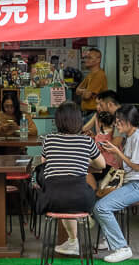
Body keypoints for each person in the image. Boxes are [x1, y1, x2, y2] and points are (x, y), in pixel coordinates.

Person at [35, 101, 105, 256]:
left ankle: (73, 242)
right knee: (72, 194)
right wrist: (83, 161)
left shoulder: (49, 140)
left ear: (58, 121)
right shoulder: (87, 141)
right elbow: (101, 164)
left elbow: (44, 166)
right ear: (79, 120)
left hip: (52, 198)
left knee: (63, 195)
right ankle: (73, 241)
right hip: (81, 199)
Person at [93, 105, 139, 263]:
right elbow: (125, 165)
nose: (116, 125)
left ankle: (121, 247)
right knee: (99, 203)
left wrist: (117, 152)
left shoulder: (138, 137)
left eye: (119, 122)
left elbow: (137, 166)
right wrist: (115, 152)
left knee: (101, 207)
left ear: (128, 122)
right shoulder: (131, 137)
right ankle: (111, 239)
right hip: (131, 182)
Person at [75, 48, 107, 113]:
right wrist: (85, 91)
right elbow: (77, 91)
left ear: (98, 60)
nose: (86, 60)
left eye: (89, 58)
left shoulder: (99, 75)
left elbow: (86, 96)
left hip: (94, 112)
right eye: (86, 57)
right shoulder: (90, 75)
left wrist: (84, 92)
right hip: (87, 113)